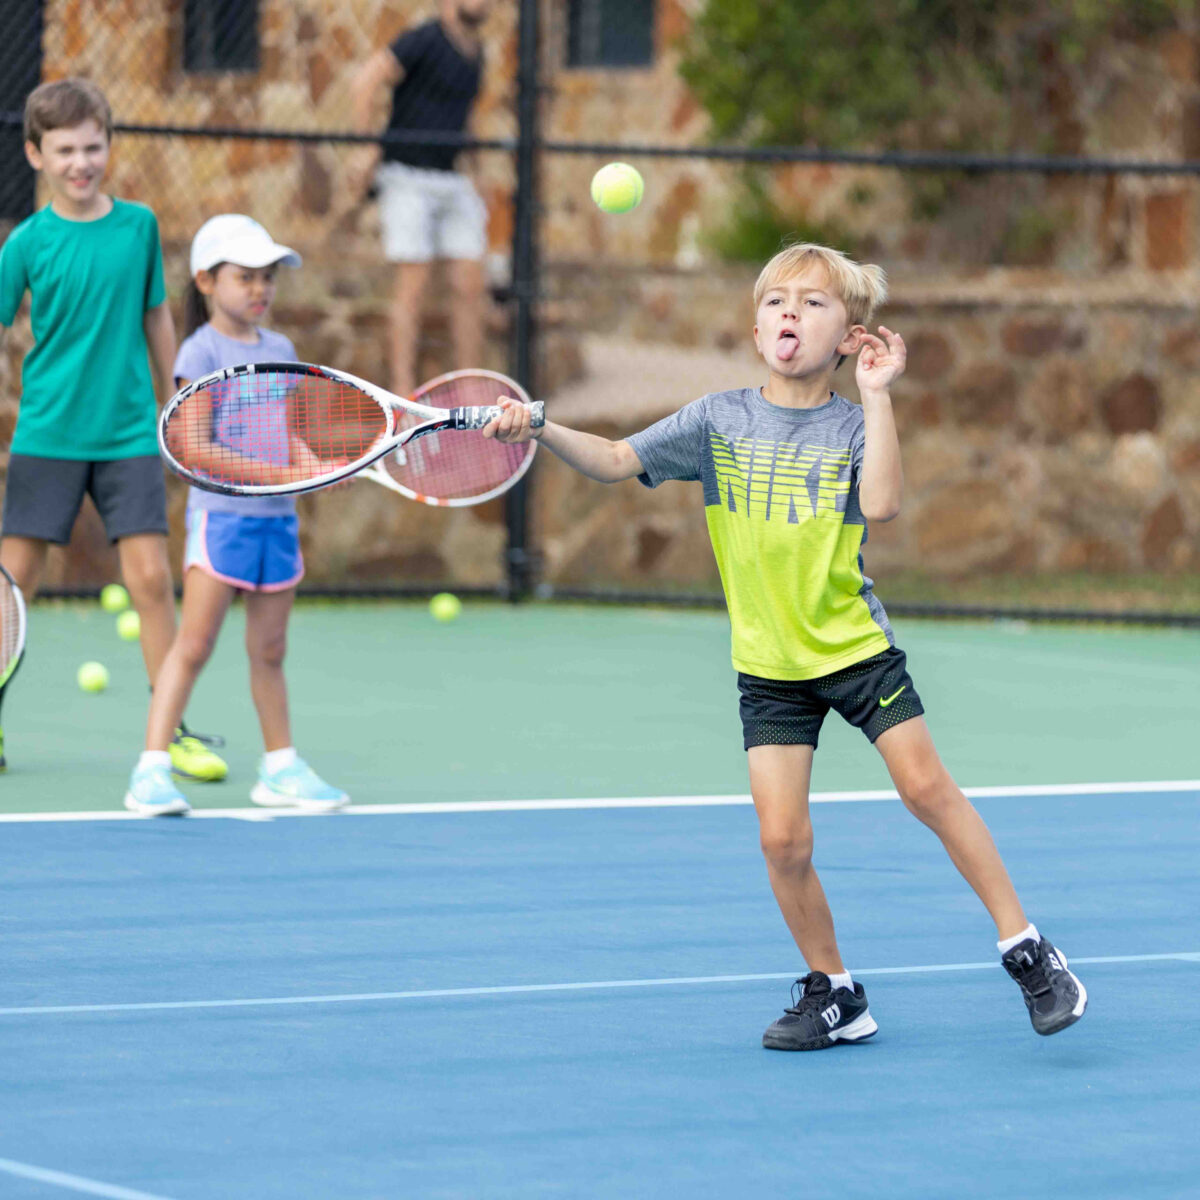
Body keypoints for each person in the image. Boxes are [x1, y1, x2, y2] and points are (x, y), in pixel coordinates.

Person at [484, 243, 1088, 1048]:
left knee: (925, 790)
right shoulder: (716, 420)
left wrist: (877, 399)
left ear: (849, 337)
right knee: (782, 840)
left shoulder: (849, 425)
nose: (789, 314)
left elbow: (882, 506)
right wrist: (541, 427)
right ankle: (834, 991)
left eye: (812, 303)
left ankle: (1028, 950)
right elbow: (618, 460)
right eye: (775, 302)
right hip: (768, 667)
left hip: (851, 650)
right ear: (756, 326)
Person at [0, 78, 226, 782]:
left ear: (108, 146)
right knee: (13, 585)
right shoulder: (26, 244)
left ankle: (171, 732)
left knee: (153, 581)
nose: (80, 162)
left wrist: (178, 406)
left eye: (92, 147)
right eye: (64, 150)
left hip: (129, 433)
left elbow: (158, 317)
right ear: (36, 155)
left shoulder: (139, 227)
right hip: (47, 436)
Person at [123, 214, 349, 816]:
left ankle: (280, 767)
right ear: (205, 280)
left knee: (270, 650)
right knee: (193, 645)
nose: (259, 289)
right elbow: (193, 448)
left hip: (278, 524)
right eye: (245, 277)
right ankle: (150, 770)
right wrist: (280, 474)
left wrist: (313, 469)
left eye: (268, 277)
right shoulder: (199, 352)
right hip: (221, 522)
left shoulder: (281, 351)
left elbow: (286, 437)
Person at [349, 0, 492, 397]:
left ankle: (471, 389)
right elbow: (366, 80)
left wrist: (478, 174)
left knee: (470, 284)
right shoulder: (424, 39)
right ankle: (402, 394)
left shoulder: (477, 53)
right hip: (406, 176)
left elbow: (469, 118)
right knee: (413, 285)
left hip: (452, 179)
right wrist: (365, 147)